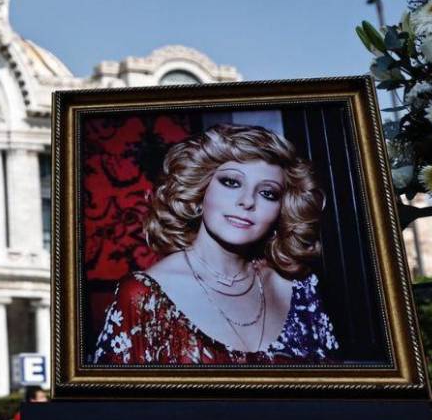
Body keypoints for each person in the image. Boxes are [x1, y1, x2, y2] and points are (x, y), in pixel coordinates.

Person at [93, 124, 338, 365]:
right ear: (200, 193)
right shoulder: (144, 296)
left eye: (268, 193)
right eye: (231, 182)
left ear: (281, 212)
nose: (247, 201)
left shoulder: (299, 288)